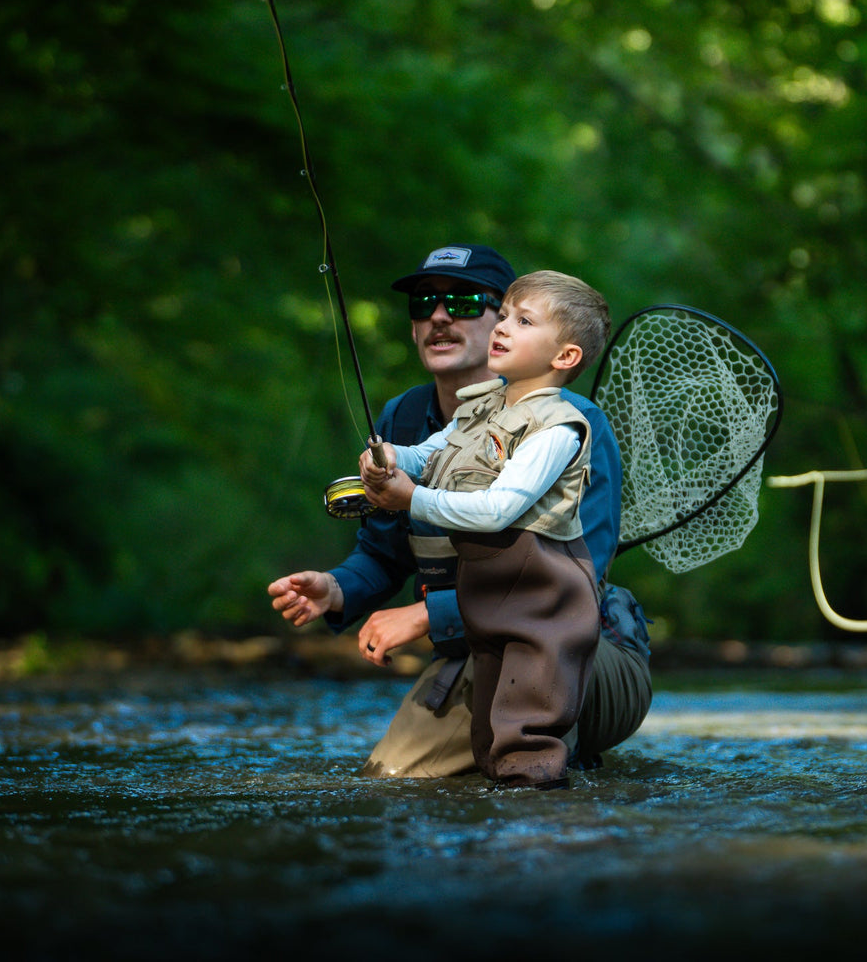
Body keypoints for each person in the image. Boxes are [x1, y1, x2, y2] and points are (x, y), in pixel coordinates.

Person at [267, 244, 652, 778]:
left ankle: (558, 767)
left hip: (575, 639)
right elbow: (383, 553)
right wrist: (334, 589)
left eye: (467, 302)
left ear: (505, 321)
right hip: (475, 645)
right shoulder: (404, 418)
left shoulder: (571, 426)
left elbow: (573, 580)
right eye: (424, 304)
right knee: (389, 781)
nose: (441, 316)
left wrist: (429, 615)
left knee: (486, 777)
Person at [359, 269, 609, 788]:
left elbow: (498, 509)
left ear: (564, 358)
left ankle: (541, 819)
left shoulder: (559, 427)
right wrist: (388, 457)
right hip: (486, 604)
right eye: (506, 315)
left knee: (527, 728)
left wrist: (412, 497)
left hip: (544, 606)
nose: (502, 326)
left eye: (522, 320)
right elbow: (428, 454)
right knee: (488, 736)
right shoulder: (482, 405)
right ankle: (499, 808)